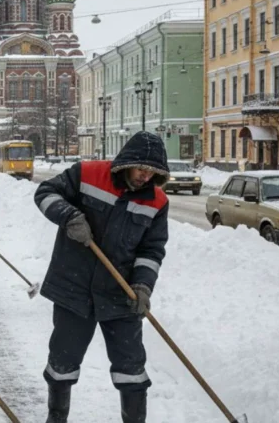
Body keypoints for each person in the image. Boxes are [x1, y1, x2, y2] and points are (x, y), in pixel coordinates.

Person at [33, 132, 169, 423]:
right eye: (141, 169)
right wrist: (68, 216)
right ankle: (55, 419)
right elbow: (44, 193)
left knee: (131, 368)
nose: (146, 177)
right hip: (73, 288)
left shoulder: (156, 201)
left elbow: (151, 250)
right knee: (62, 364)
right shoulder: (87, 174)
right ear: (127, 163)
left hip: (121, 294)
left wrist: (143, 285)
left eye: (153, 172)